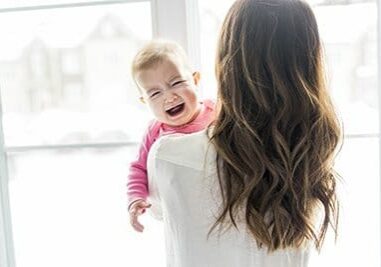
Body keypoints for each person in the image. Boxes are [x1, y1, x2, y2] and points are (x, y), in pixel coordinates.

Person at [146, 0, 343, 266]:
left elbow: (157, 210)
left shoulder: (168, 156)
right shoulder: (307, 161)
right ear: (309, 67)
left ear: (225, 63)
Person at [127, 40, 215, 232]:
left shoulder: (216, 112)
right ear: (144, 101)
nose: (169, 97)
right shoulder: (155, 131)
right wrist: (136, 199)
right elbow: (138, 168)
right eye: (155, 93)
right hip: (182, 216)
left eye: (176, 83)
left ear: (196, 80)